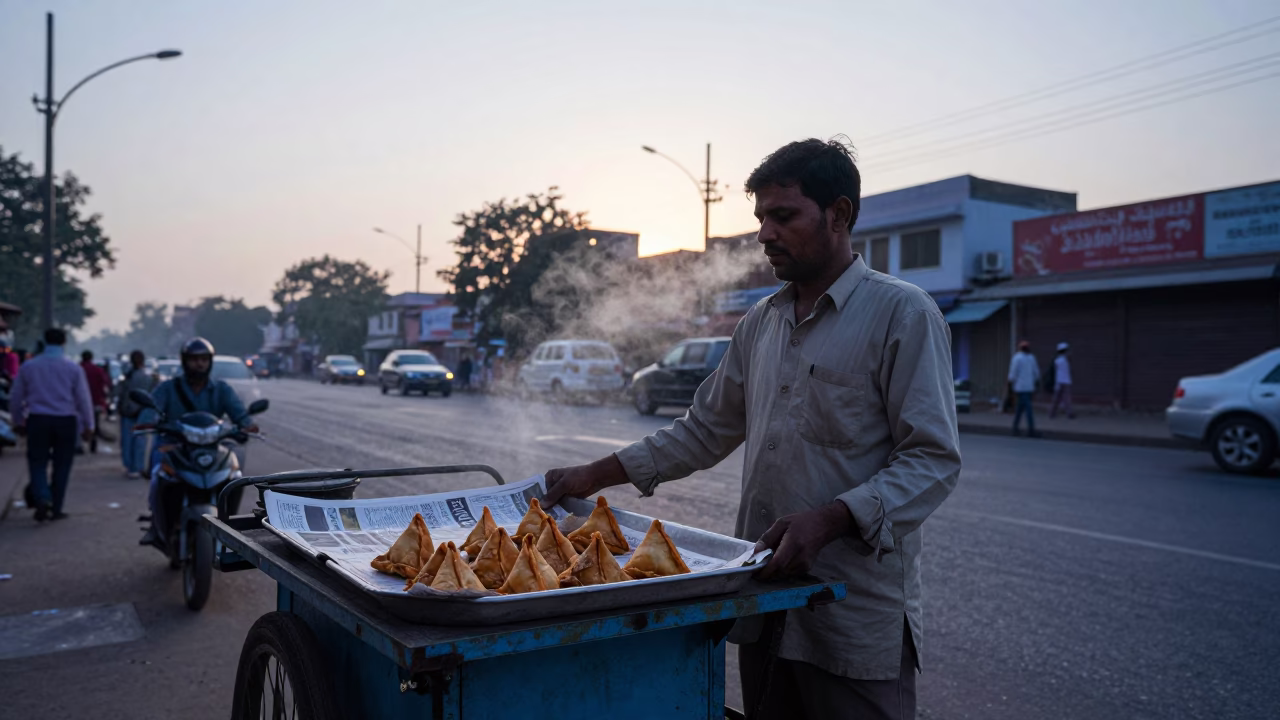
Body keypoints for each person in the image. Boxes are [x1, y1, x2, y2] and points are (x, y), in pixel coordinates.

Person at [543, 139, 961, 720]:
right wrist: (595, 474)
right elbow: (702, 430)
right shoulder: (759, 324)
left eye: (783, 216)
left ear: (838, 214)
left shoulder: (903, 314)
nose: (765, 233)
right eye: (761, 218)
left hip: (850, 614)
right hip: (764, 599)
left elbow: (932, 460)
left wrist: (834, 518)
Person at [139, 337, 257, 545]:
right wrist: (148, 423)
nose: (199, 364)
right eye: (194, 359)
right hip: (175, 445)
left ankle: (228, 522)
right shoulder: (168, 388)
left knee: (234, 472)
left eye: (203, 359)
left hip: (213, 446)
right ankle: (156, 523)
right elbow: (151, 410)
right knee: (158, 472)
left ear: (210, 361)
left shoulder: (221, 389)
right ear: (185, 361)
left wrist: (246, 425)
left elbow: (239, 413)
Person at [8, 328, 94, 521]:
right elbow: (83, 399)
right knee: (62, 465)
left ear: (45, 341)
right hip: (65, 421)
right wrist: (89, 426)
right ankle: (56, 507)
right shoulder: (73, 368)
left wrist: (18, 421)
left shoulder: (29, 367)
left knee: (37, 462)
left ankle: (42, 498)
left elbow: (16, 397)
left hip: (38, 419)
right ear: (64, 343)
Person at [117, 349, 155, 477]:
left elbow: (120, 393)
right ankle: (137, 467)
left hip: (128, 412)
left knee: (128, 441)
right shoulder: (148, 377)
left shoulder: (128, 376)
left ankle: (131, 467)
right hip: (142, 412)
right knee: (140, 441)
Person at [79, 350, 112, 453]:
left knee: (79, 424)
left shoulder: (77, 368)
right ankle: (93, 444)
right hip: (95, 401)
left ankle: (79, 445)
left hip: (78, 403)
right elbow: (105, 385)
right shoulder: (97, 370)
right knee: (94, 423)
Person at [1008, 340, 1040, 437]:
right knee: (1027, 409)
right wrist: (1036, 382)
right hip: (1028, 387)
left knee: (1020, 409)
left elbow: (1013, 373)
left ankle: (1015, 428)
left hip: (1020, 387)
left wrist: (1010, 383)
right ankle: (1030, 430)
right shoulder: (1031, 358)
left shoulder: (1017, 358)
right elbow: (1036, 373)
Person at [1050, 342, 1074, 419]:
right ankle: (1068, 413)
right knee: (1065, 398)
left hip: (1061, 381)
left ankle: (1052, 413)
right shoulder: (1062, 360)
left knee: (1057, 398)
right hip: (1064, 381)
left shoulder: (1058, 360)